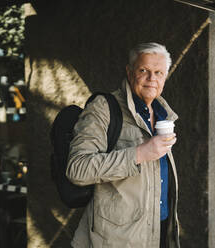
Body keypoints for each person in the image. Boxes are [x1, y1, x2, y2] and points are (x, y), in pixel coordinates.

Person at [67, 42, 180, 248]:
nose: (151, 78)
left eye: (158, 72)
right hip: (117, 240)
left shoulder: (164, 115)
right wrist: (138, 154)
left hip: (161, 232)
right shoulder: (104, 108)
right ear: (129, 72)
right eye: (143, 70)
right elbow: (77, 168)